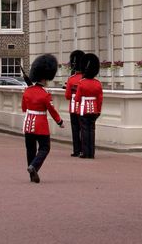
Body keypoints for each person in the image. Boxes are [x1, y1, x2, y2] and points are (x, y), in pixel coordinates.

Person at [21, 53, 64, 183]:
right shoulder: (45, 94)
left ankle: (32, 174)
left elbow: (24, 108)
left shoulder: (27, 91)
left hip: (28, 123)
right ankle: (34, 166)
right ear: (45, 79)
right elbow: (51, 110)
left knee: (30, 149)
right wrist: (59, 122)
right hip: (40, 125)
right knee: (45, 148)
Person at [74, 53, 103, 159]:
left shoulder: (81, 83)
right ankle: (92, 153)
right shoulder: (98, 83)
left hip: (83, 109)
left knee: (85, 131)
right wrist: (98, 111)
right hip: (94, 109)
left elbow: (77, 98)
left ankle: (85, 153)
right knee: (92, 131)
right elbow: (100, 99)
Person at [64, 49, 85, 157]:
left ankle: (76, 150)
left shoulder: (71, 79)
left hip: (73, 107)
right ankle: (84, 149)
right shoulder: (86, 79)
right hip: (85, 107)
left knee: (75, 129)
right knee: (84, 129)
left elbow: (67, 96)